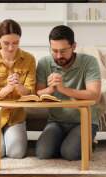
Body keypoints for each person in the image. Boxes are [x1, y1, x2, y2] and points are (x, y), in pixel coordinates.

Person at [35, 25, 101, 161]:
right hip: (56, 121)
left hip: (84, 120)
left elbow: (94, 95)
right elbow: (38, 93)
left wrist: (63, 89)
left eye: (63, 51)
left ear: (74, 46)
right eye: (54, 51)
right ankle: (73, 141)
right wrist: (51, 89)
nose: (59, 56)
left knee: (69, 153)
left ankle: (87, 142)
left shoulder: (89, 62)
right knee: (42, 153)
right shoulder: (44, 63)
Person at [0, 19, 36, 158]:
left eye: (15, 43)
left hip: (15, 116)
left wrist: (18, 86)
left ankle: (7, 135)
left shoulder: (29, 59)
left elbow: (30, 92)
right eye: (6, 43)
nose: (11, 47)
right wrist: (8, 88)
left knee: (16, 153)